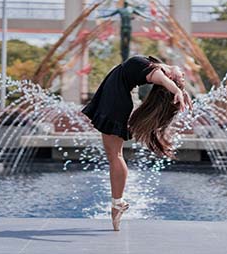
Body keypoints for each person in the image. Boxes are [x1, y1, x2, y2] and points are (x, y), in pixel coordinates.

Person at [80, 55, 192, 231]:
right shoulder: (155, 65)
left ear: (170, 78)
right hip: (114, 100)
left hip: (114, 103)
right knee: (114, 155)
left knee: (115, 156)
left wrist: (177, 90)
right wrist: (179, 91)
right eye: (182, 79)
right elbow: (165, 80)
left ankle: (118, 202)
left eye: (180, 78)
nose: (183, 74)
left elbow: (163, 80)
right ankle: (118, 203)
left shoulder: (158, 74)